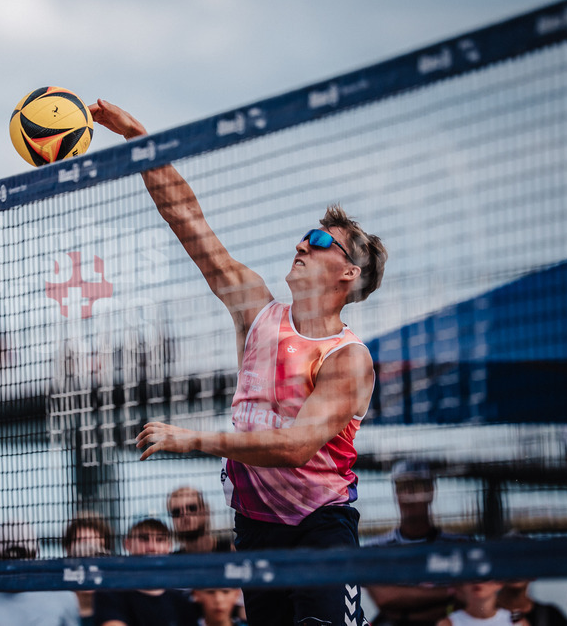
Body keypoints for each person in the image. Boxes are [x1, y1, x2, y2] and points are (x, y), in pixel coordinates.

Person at [90, 98, 388, 626]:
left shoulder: (349, 359)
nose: (302, 243)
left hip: (320, 528)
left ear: (349, 273)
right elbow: (186, 218)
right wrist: (139, 140)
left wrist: (193, 439)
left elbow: (296, 447)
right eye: (305, 234)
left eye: (320, 242)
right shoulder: (257, 310)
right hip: (254, 527)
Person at [366, 460, 469, 626]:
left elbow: (468, 600)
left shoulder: (460, 545)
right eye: (402, 486)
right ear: (395, 492)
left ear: (431, 490)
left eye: (417, 486)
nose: (409, 493)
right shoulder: (375, 548)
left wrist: (403, 610)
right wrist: (450, 592)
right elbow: (385, 598)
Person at [0, 519, 80, 626]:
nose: (15, 565)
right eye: (8, 557)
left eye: (21, 555)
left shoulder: (63, 597)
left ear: (35, 553)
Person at [92, 514, 198, 626]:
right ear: (128, 544)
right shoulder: (110, 593)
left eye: (159, 540)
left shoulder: (180, 601)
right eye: (144, 539)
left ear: (169, 547)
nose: (152, 547)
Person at [63, 512, 114, 626]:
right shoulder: (55, 608)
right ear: (68, 551)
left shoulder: (120, 610)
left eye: (96, 553)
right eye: (81, 551)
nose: (88, 562)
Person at [166, 487, 233, 554]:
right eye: (176, 512)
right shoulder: (173, 561)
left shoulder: (231, 552)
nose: (184, 515)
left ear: (205, 512)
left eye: (192, 508)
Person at [435, 581, 519, 626]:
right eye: (472, 576)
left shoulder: (515, 621)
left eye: (485, 577)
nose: (478, 582)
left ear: (499, 583)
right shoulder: (447, 623)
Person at [497, 579, 567, 626]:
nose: (516, 572)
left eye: (523, 566)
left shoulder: (552, 616)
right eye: (510, 565)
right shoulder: (486, 613)